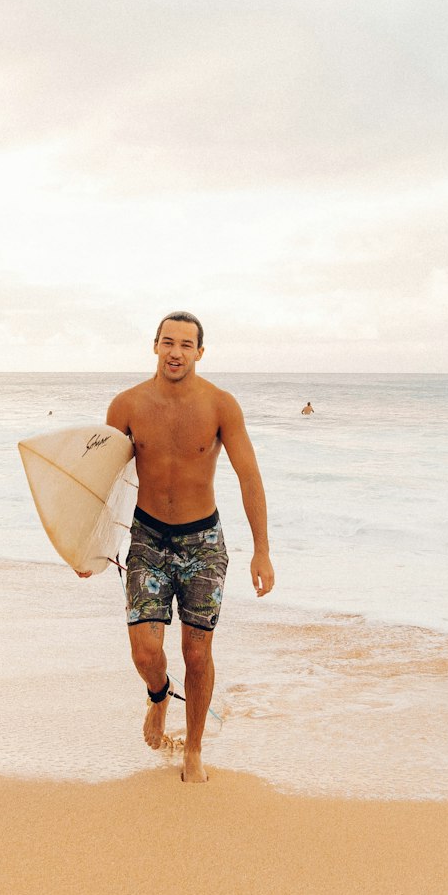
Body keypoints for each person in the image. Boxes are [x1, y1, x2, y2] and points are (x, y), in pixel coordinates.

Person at [103, 312, 274, 783]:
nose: (175, 352)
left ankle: (193, 749)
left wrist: (261, 550)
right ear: (155, 346)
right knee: (144, 651)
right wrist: (90, 548)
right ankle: (159, 696)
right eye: (167, 342)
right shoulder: (126, 406)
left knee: (197, 653)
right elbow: (105, 483)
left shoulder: (220, 406)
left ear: (200, 352)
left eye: (186, 344)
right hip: (148, 537)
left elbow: (249, 476)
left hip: (203, 543)